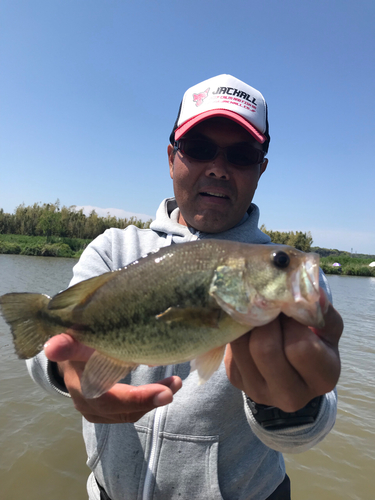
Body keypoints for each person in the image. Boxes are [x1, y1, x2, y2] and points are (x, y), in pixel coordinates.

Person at [27, 74, 343, 500]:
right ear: (172, 156)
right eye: (198, 149)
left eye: (242, 154)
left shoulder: (288, 277)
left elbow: (310, 429)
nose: (218, 167)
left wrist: (292, 407)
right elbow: (43, 342)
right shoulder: (114, 250)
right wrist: (66, 370)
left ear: (261, 168)